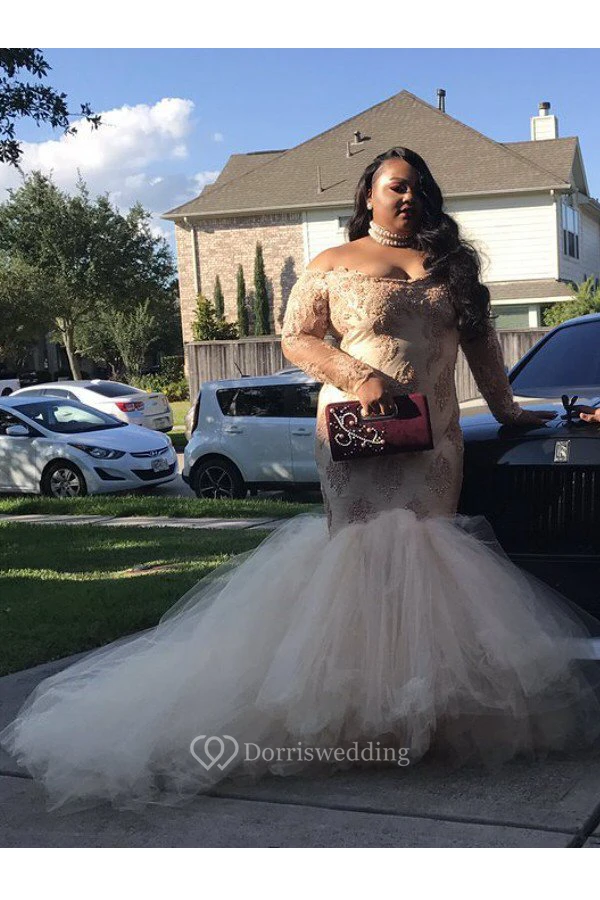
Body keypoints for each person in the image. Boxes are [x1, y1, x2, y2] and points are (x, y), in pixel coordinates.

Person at [2, 147, 600, 815]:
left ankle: (423, 714)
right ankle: (355, 714)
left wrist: (511, 411)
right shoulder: (332, 263)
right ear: (369, 195)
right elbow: (296, 338)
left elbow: (485, 348)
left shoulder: (451, 267)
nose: (408, 196)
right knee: (361, 558)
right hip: (355, 430)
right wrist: (356, 375)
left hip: (433, 443)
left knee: (430, 556)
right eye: (395, 186)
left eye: (418, 187)